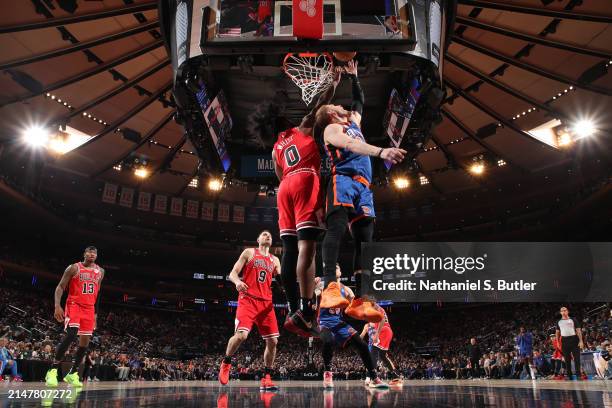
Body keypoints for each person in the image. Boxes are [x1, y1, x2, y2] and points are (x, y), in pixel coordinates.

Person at [314, 60, 406, 321]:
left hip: (364, 187)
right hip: (342, 180)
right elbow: (352, 147)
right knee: (337, 229)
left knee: (366, 243)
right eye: (336, 107)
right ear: (331, 114)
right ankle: (331, 287)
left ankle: (362, 300)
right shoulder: (332, 129)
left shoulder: (353, 122)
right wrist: (381, 151)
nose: (342, 107)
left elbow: (359, 102)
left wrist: (354, 77)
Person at [274, 68, 342, 338]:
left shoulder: (276, 145)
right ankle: (306, 307)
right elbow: (319, 107)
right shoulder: (301, 128)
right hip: (304, 179)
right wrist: (333, 85)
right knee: (307, 248)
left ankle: (292, 310)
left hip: (284, 187)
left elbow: (279, 175)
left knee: (289, 250)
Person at [219, 230, 282, 391]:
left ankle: (267, 377)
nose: (267, 235)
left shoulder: (275, 260)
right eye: (264, 234)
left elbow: (282, 282)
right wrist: (237, 282)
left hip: (266, 303)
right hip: (248, 299)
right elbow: (233, 273)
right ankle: (226, 362)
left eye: (269, 235)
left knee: (273, 341)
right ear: (258, 239)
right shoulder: (249, 252)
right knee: (242, 335)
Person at [315, 264, 389, 389]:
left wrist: (371, 304)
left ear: (340, 271)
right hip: (324, 322)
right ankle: (327, 373)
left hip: (339, 322)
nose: (334, 270)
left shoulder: (347, 290)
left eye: (336, 268)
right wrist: (314, 285)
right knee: (328, 341)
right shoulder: (322, 284)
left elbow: (359, 303)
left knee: (363, 345)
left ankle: (374, 378)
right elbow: (312, 294)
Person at [45, 246, 105, 387]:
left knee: (85, 342)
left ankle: (73, 373)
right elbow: (60, 287)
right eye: (89, 252)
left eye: (94, 252)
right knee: (71, 334)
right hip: (74, 305)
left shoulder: (101, 271)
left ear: (96, 256)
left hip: (89, 308)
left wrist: (95, 314)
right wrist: (57, 306)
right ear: (84, 254)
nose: (92, 254)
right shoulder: (73, 268)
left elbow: (98, 293)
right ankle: (52, 371)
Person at [360, 303, 402, 386]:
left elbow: (382, 319)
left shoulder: (375, 308)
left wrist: (377, 334)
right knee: (383, 356)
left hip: (382, 332)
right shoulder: (370, 321)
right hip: (387, 332)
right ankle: (396, 377)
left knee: (373, 356)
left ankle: (373, 379)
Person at [555, 306, 586, 380]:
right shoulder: (558, 322)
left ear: (567, 311)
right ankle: (569, 375)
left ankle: (578, 375)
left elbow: (578, 330)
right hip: (564, 341)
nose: (563, 312)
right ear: (560, 312)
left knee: (577, 358)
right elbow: (557, 333)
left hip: (574, 339)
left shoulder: (573, 319)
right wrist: (558, 343)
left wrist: (581, 341)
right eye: (562, 311)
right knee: (567, 359)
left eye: (565, 310)